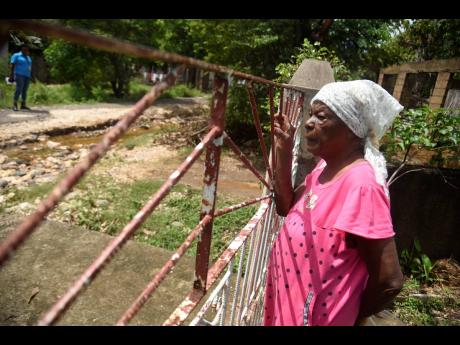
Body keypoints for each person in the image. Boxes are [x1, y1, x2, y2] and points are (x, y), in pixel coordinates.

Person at [264, 80, 405, 326]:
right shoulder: (323, 169)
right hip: (289, 306)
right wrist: (283, 151)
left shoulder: (361, 186)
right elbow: (286, 206)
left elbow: (389, 281)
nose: (309, 123)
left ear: (351, 128)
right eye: (310, 115)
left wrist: (346, 313)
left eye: (321, 117)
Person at [9, 44, 32, 111]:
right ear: (21, 49)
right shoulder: (16, 55)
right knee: (19, 88)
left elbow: (29, 67)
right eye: (24, 49)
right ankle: (14, 104)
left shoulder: (28, 57)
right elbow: (12, 65)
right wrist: (11, 75)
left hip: (27, 76)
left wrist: (30, 75)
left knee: (25, 90)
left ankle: (23, 105)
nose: (25, 50)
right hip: (19, 74)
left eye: (27, 49)